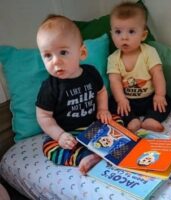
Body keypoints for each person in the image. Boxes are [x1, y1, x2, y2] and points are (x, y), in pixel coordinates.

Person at [35, 14, 111, 175]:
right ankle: (85, 156)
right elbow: (43, 116)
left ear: (82, 53)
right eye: (48, 55)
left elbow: (101, 91)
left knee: (115, 119)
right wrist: (60, 135)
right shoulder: (50, 87)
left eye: (63, 52)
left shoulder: (90, 73)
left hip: (94, 125)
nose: (55, 61)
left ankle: (112, 145)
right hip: (69, 133)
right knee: (49, 148)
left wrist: (103, 109)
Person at [107, 2, 171, 133]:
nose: (124, 37)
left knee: (166, 101)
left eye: (131, 31)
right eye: (118, 32)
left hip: (149, 98)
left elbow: (157, 73)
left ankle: (151, 119)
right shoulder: (113, 58)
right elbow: (114, 81)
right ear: (112, 34)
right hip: (127, 102)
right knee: (111, 103)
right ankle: (132, 119)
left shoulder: (149, 52)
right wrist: (121, 100)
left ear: (143, 35)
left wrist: (159, 95)